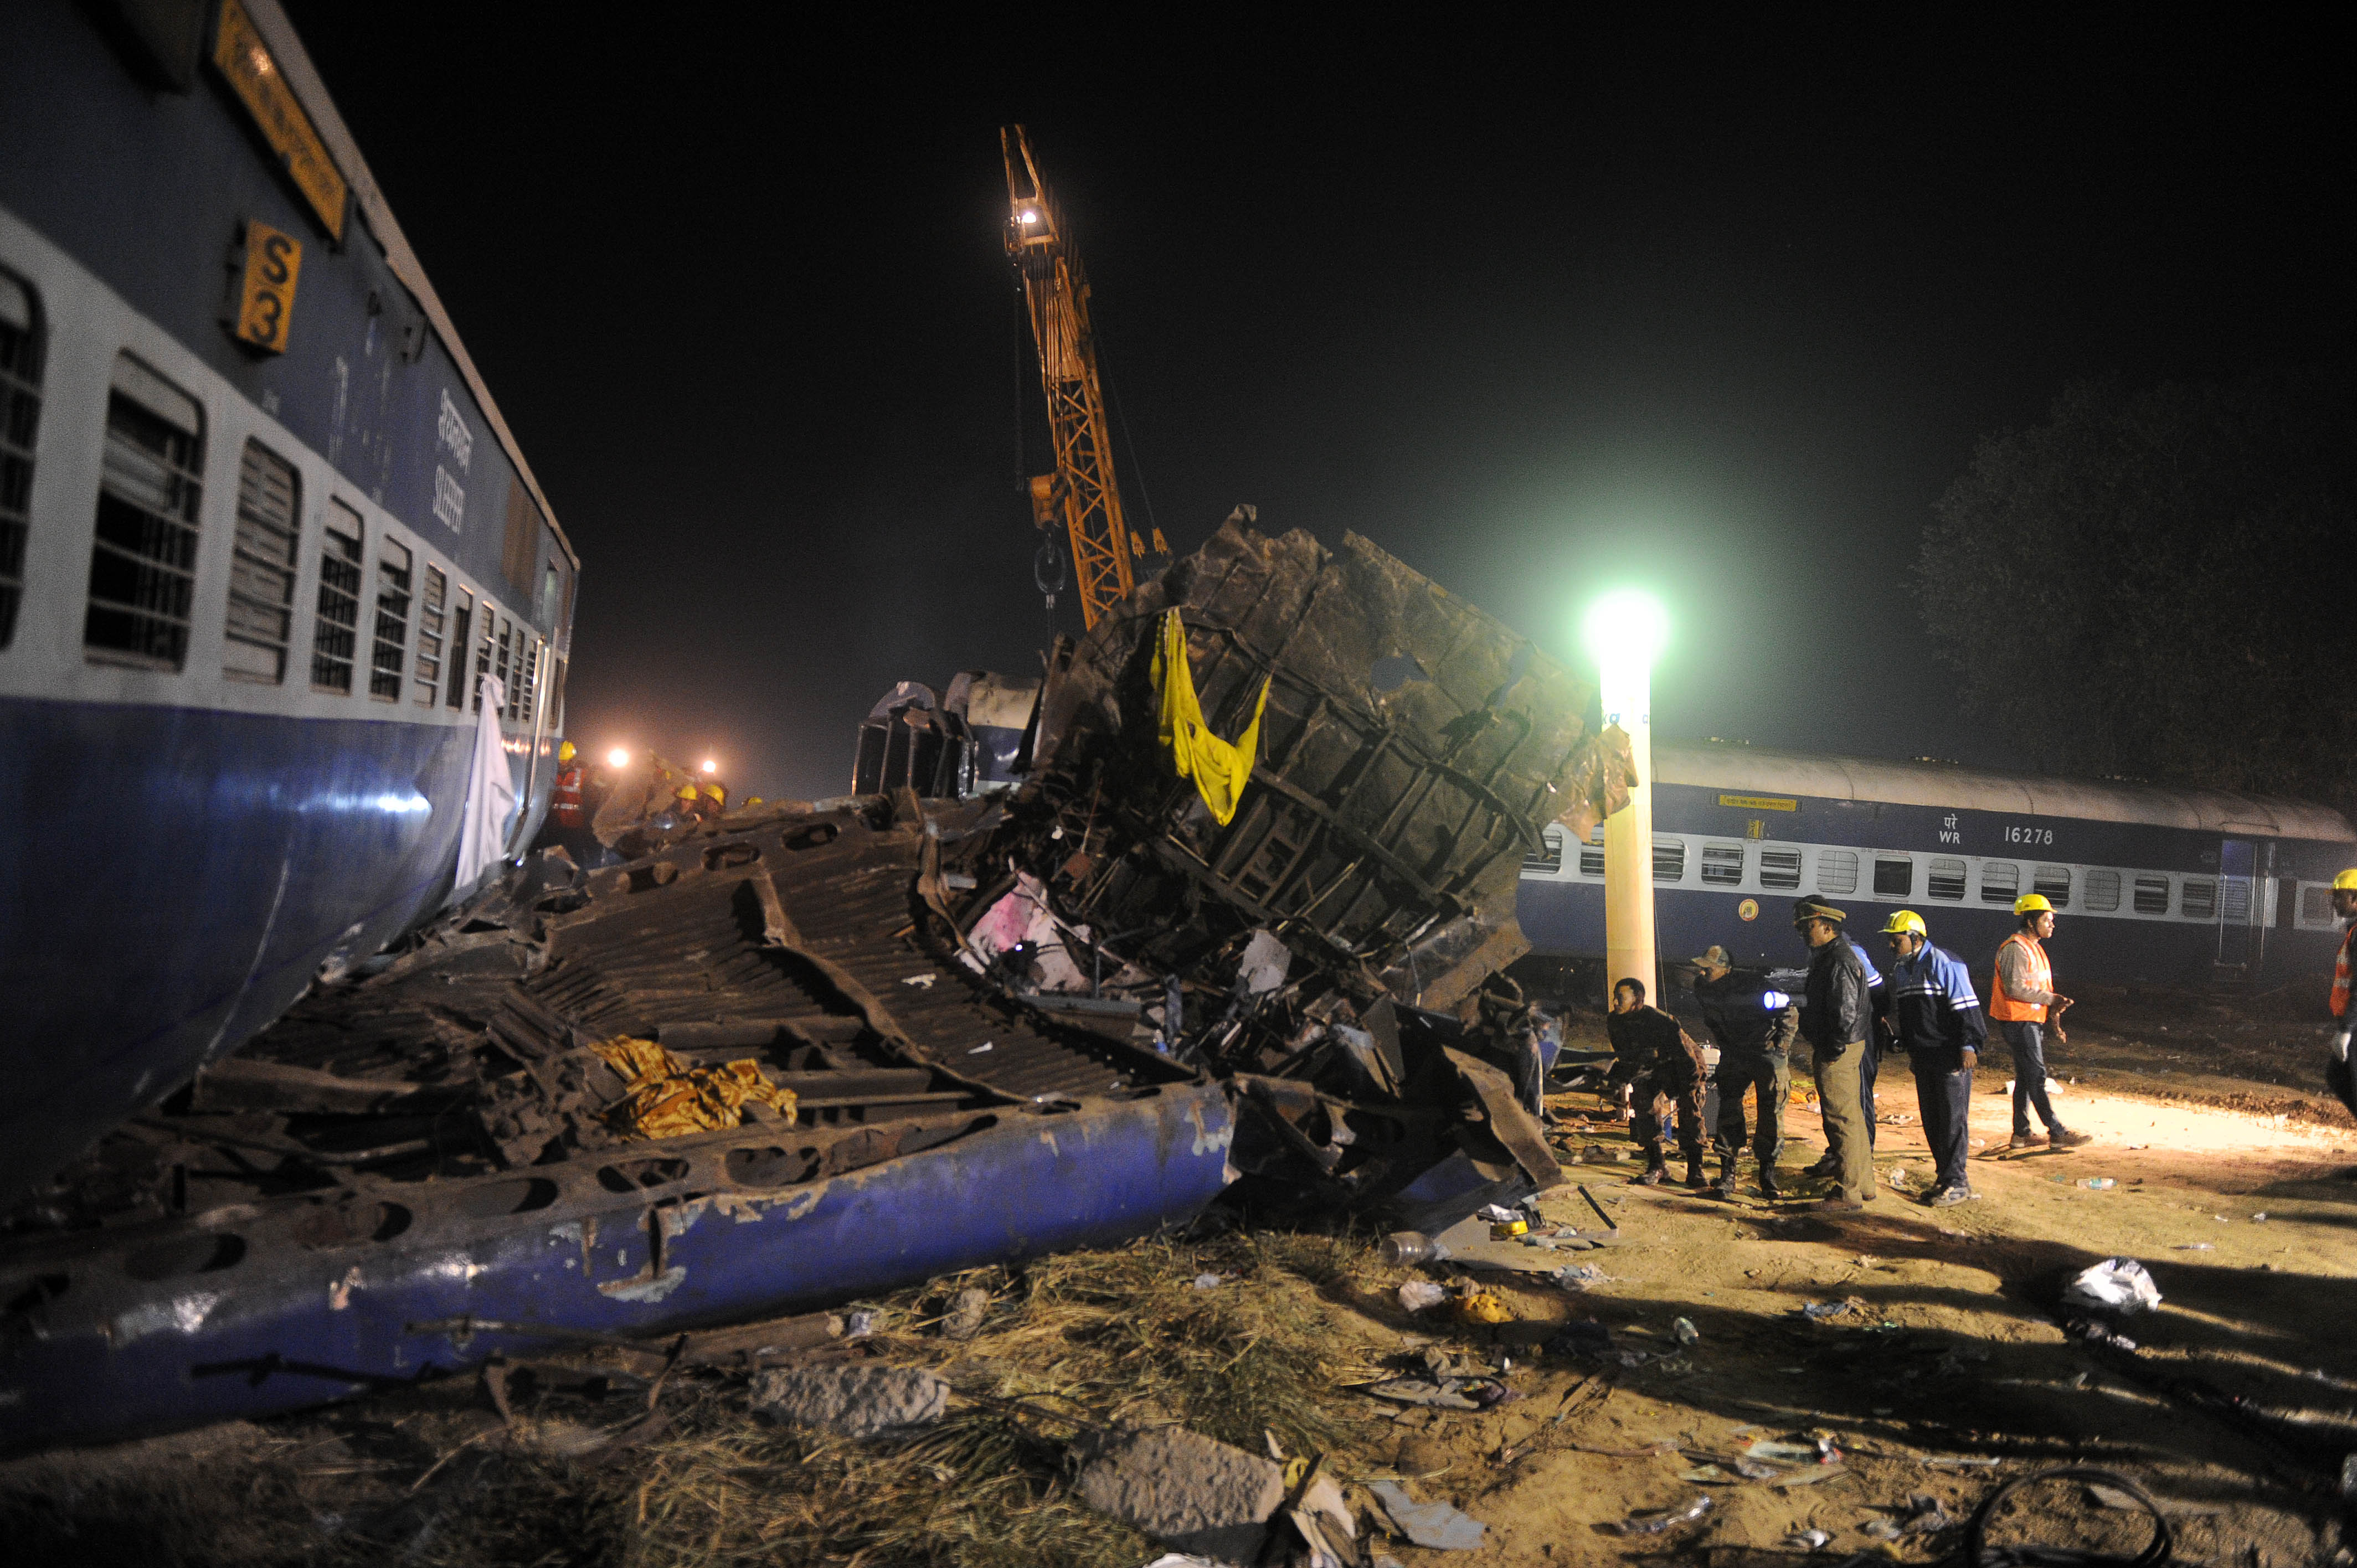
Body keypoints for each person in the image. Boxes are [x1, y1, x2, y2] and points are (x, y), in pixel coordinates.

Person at [1878, 910, 1986, 1205]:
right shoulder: (1902, 969)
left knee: (1952, 1121)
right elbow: (1912, 1015)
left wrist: (1969, 1046)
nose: (1891, 945)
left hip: (1949, 1055)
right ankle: (1944, 1179)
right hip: (1924, 1057)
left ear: (1915, 938)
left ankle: (1957, 1182)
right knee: (1933, 1121)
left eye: (1896, 939)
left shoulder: (1944, 963)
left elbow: (1968, 1009)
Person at [1690, 945, 1798, 1200]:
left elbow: (1790, 1011)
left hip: (1766, 1052)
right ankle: (1728, 1173)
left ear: (1726, 969)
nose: (1704, 972)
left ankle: (1767, 1175)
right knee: (1728, 1110)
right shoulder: (1703, 988)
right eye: (1703, 967)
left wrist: (1781, 1049)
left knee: (1771, 1112)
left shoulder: (1753, 985)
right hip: (1736, 1053)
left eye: (1710, 968)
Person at [1990, 894, 2092, 1151]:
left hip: (2027, 1021)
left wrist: (2052, 1008)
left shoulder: (2032, 947)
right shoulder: (2017, 949)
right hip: (2018, 1021)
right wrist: (2052, 999)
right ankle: (2057, 1132)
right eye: (2047, 920)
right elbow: (2014, 989)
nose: (2052, 925)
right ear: (2031, 921)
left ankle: (2021, 1135)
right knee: (2036, 1076)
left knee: (2025, 1078)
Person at [1792, 896, 1875, 1210]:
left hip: (1838, 1049)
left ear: (1827, 926)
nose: (1803, 933)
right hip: (1846, 1046)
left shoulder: (1837, 959)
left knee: (1841, 1121)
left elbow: (1844, 1010)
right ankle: (1864, 1185)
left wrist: (1832, 1047)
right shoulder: (1834, 955)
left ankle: (1847, 1194)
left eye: (1808, 926)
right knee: (1852, 1118)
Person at [1604, 978, 1710, 1188]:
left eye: (1621, 997)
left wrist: (1688, 1089)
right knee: (1643, 1103)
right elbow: (1626, 1055)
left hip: (1683, 1065)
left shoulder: (1661, 1021)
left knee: (1690, 1110)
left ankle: (1695, 1169)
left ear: (1637, 999)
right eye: (1615, 997)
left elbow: (1686, 1058)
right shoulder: (1615, 1021)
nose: (1616, 1002)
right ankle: (1657, 1165)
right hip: (1653, 1068)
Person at [2326, 869, 2357, 1119]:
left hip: (2356, 1026)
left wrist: (2346, 1030)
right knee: (2336, 1076)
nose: (2334, 902)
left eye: (2339, 896)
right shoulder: (2353, 931)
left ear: (2355, 898)